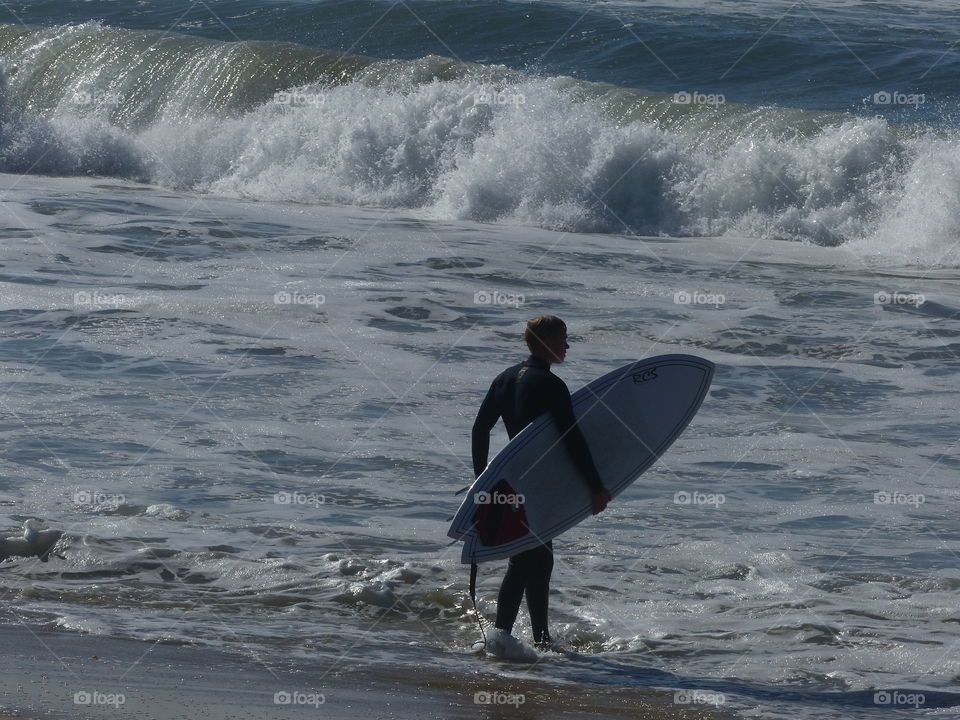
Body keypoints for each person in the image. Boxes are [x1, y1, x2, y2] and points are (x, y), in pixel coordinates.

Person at [471, 315, 611, 652]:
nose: (567, 345)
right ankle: (501, 638)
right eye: (563, 338)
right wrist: (595, 487)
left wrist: (483, 480)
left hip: (508, 481)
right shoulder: (551, 385)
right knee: (525, 558)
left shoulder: (504, 379)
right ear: (546, 341)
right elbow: (571, 439)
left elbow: (479, 430)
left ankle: (541, 638)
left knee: (541, 554)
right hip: (537, 482)